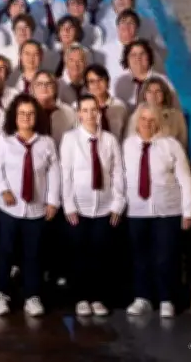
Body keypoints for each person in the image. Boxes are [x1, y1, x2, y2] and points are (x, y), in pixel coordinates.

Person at [123, 104, 191, 318]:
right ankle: (142, 298)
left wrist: (189, 210)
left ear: (158, 122)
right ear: (137, 121)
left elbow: (185, 179)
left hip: (167, 211)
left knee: (166, 256)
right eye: (143, 119)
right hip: (136, 211)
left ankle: (166, 299)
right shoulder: (127, 145)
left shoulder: (171, 145)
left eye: (152, 120)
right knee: (140, 256)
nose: (147, 123)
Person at [0, 94, 61, 317]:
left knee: (34, 253)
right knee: (5, 251)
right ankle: (1, 293)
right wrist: (3, 190)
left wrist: (53, 200)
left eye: (30, 114)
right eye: (22, 113)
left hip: (37, 209)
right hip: (10, 207)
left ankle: (32, 296)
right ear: (14, 116)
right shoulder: (4, 140)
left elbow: (54, 173)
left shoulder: (46, 143)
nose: (26, 117)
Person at [60, 95, 125, 317]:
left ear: (99, 112)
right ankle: (80, 298)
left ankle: (97, 297)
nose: (89, 114)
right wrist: (69, 204)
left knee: (101, 253)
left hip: (105, 207)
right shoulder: (70, 139)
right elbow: (66, 174)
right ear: (79, 114)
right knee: (79, 253)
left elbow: (117, 172)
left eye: (93, 110)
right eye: (85, 110)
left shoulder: (110, 140)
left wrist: (118, 203)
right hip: (79, 208)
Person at [127, 77, 188, 150]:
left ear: (164, 94)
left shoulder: (176, 116)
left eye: (158, 91)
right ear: (145, 94)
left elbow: (182, 143)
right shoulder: (137, 114)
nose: (153, 95)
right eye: (149, 91)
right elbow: (130, 138)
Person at [84, 64, 129, 141]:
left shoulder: (120, 106)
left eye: (100, 80)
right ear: (87, 86)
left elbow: (126, 135)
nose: (96, 85)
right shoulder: (79, 107)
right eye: (92, 81)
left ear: (107, 82)